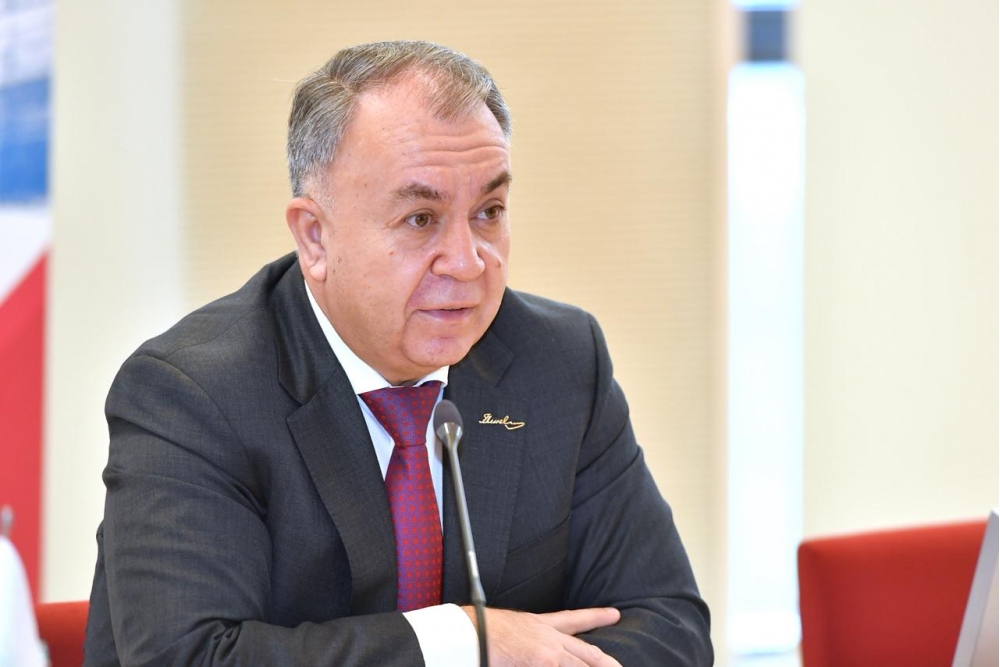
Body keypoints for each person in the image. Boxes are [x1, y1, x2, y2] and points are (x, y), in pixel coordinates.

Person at [83, 40, 712, 666]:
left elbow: (668, 627)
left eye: (489, 211)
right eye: (420, 219)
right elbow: (189, 656)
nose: (467, 262)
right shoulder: (193, 394)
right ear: (315, 237)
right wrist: (461, 642)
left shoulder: (558, 361)